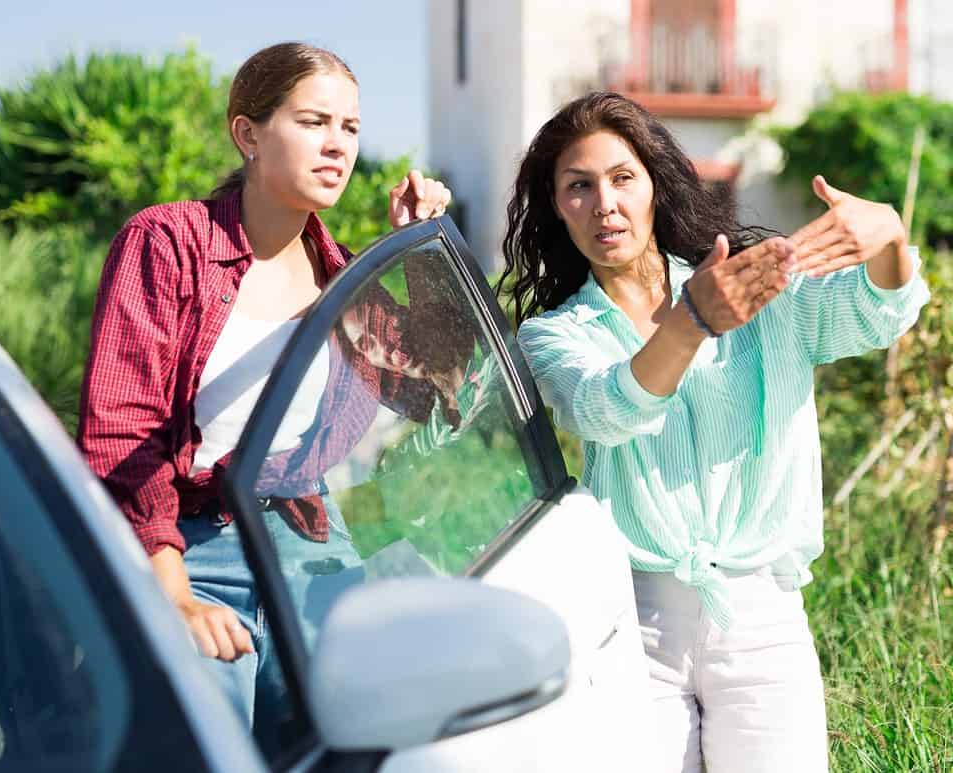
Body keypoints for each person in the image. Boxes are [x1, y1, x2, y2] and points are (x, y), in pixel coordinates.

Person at [500, 91, 929, 773]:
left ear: (654, 186)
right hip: (635, 621)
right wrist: (691, 322)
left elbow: (878, 313)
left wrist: (891, 239)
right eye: (578, 186)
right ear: (557, 205)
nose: (604, 204)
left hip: (762, 611)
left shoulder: (755, 289)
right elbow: (607, 409)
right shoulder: (555, 333)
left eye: (621, 178)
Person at [76, 42, 455, 739]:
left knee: (353, 731)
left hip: (307, 536)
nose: (337, 146)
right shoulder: (167, 243)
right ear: (247, 134)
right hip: (185, 540)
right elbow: (120, 432)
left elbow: (442, 387)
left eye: (349, 128)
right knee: (206, 729)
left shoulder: (347, 281)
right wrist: (176, 598)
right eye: (314, 122)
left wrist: (422, 246)